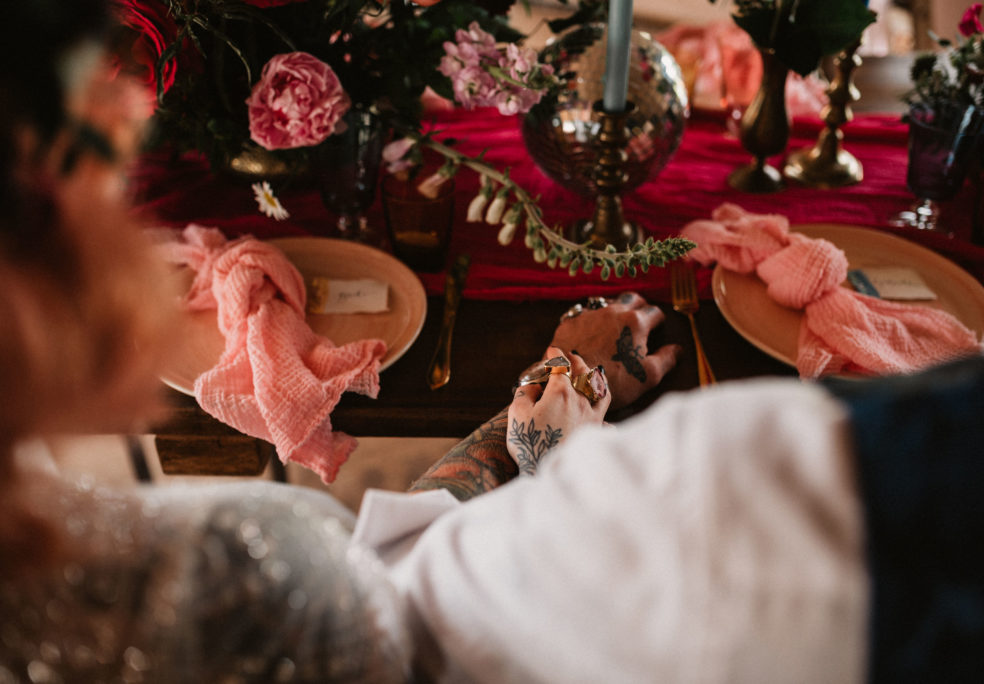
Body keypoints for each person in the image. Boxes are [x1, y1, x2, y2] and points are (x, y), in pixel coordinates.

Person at [0, 3, 678, 681]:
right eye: (109, 185)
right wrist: (556, 439)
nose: (140, 230)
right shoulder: (229, 569)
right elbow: (451, 615)